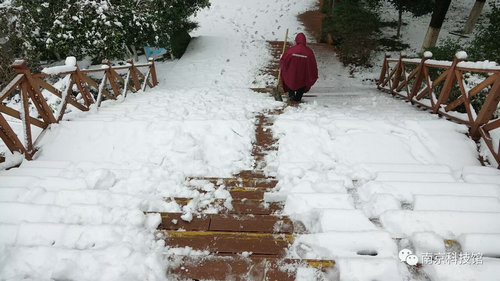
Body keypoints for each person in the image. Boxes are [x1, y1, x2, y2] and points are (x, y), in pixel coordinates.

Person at [279, 32, 318, 103]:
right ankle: (298, 98)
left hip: (292, 73)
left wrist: (282, 58)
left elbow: (284, 60)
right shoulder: (308, 51)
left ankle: (291, 96)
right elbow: (313, 64)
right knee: (302, 83)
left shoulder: (291, 50)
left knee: (290, 81)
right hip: (303, 74)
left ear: (296, 40)